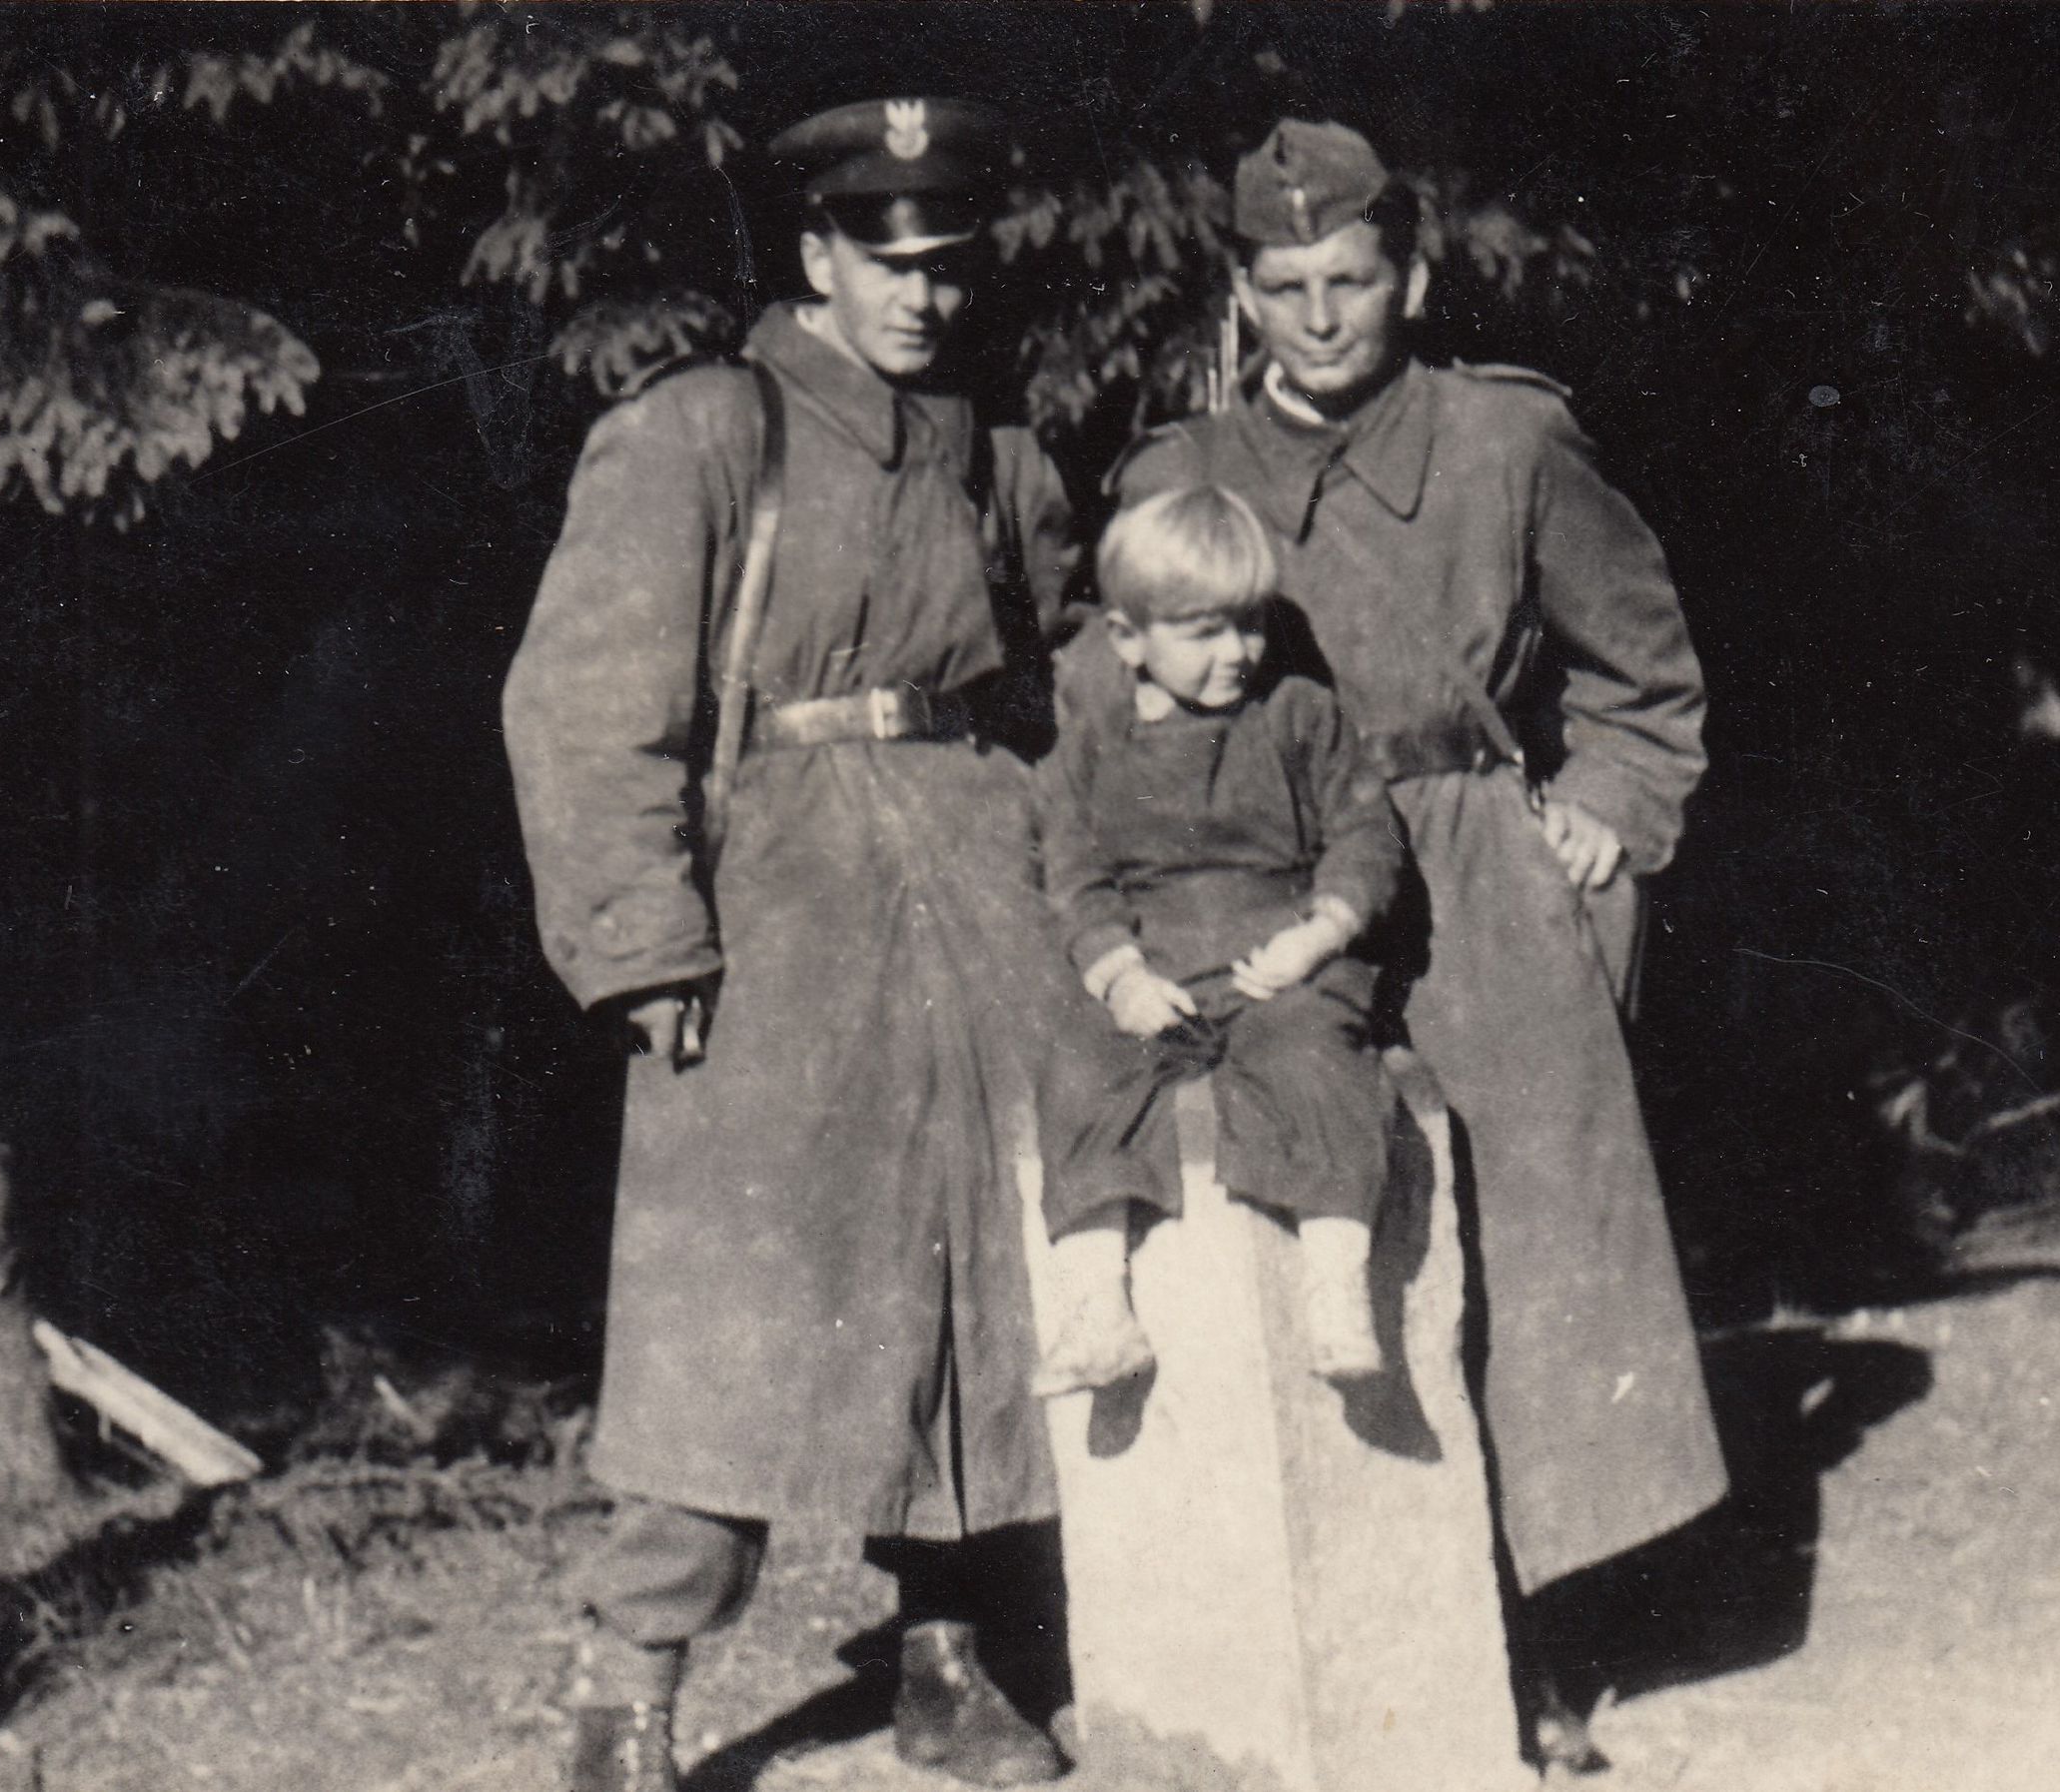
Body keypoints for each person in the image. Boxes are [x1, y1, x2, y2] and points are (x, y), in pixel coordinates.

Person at [1112, 118, 1730, 1769]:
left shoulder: (1506, 438)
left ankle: (1540, 1621)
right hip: (1268, 886)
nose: (1321, 317)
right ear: (1243, 295)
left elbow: (1642, 670)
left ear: (1412, 277)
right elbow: (1112, 698)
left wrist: (1606, 808)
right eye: (1286, 286)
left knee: (1524, 1239)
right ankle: (1345, 1616)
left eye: (1351, 280)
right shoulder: (1184, 474)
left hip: (1471, 876)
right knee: (1317, 1226)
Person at [502, 97, 1081, 1792]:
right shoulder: (703, 429)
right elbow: (586, 701)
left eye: (948, 264)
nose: (921, 296)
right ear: (817, 255)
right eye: (885, 261)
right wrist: (644, 941)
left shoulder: (994, 449)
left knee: (990, 1275)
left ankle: (948, 1652)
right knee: (728, 1304)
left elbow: (1066, 671)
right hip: (776, 903)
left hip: (983, 887)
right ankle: (629, 1691)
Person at [1028, 484, 1403, 1395]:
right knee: (1079, 1067)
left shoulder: (1301, 717)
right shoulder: (1091, 749)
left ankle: (1337, 1286)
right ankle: (1097, 1306)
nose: (1237, 652)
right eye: (1204, 633)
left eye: (1250, 625)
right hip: (1157, 971)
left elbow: (1365, 836)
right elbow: (1075, 875)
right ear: (1128, 639)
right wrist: (1120, 977)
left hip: (1281, 966)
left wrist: (1323, 931)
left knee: (1315, 1060)